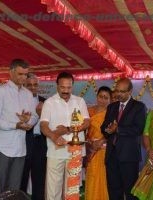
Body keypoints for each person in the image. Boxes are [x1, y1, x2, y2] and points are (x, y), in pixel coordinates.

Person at [0, 59, 38, 196]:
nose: (23, 78)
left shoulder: (28, 94)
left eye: (25, 75)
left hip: (20, 148)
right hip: (3, 146)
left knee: (14, 190)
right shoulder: (0, 91)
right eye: (20, 74)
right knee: (0, 188)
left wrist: (29, 121)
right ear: (11, 72)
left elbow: (34, 116)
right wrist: (14, 125)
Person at [40, 72, 90, 200]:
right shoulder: (49, 103)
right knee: (53, 189)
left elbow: (86, 122)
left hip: (75, 153)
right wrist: (54, 137)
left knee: (72, 189)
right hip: (55, 151)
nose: (66, 91)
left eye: (69, 87)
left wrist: (68, 129)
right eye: (63, 87)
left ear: (72, 86)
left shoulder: (79, 101)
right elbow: (44, 126)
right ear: (57, 86)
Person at [101, 78, 147, 200]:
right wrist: (107, 129)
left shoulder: (139, 107)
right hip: (111, 156)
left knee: (130, 191)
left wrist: (118, 129)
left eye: (122, 91)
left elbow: (138, 129)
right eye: (117, 91)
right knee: (114, 191)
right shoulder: (112, 107)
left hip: (129, 157)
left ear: (130, 91)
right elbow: (104, 126)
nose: (118, 94)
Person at [20, 73, 47, 200]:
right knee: (22, 178)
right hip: (24, 143)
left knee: (39, 180)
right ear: (24, 86)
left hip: (41, 144)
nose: (32, 87)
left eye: (35, 84)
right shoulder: (19, 102)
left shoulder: (45, 102)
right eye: (29, 85)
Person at [85, 86, 112, 200]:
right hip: (91, 150)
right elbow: (84, 130)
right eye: (101, 96)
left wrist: (101, 141)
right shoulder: (89, 111)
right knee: (92, 177)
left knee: (103, 179)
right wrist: (90, 143)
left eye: (106, 97)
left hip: (104, 151)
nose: (103, 100)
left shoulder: (112, 113)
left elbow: (112, 131)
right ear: (97, 97)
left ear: (110, 100)